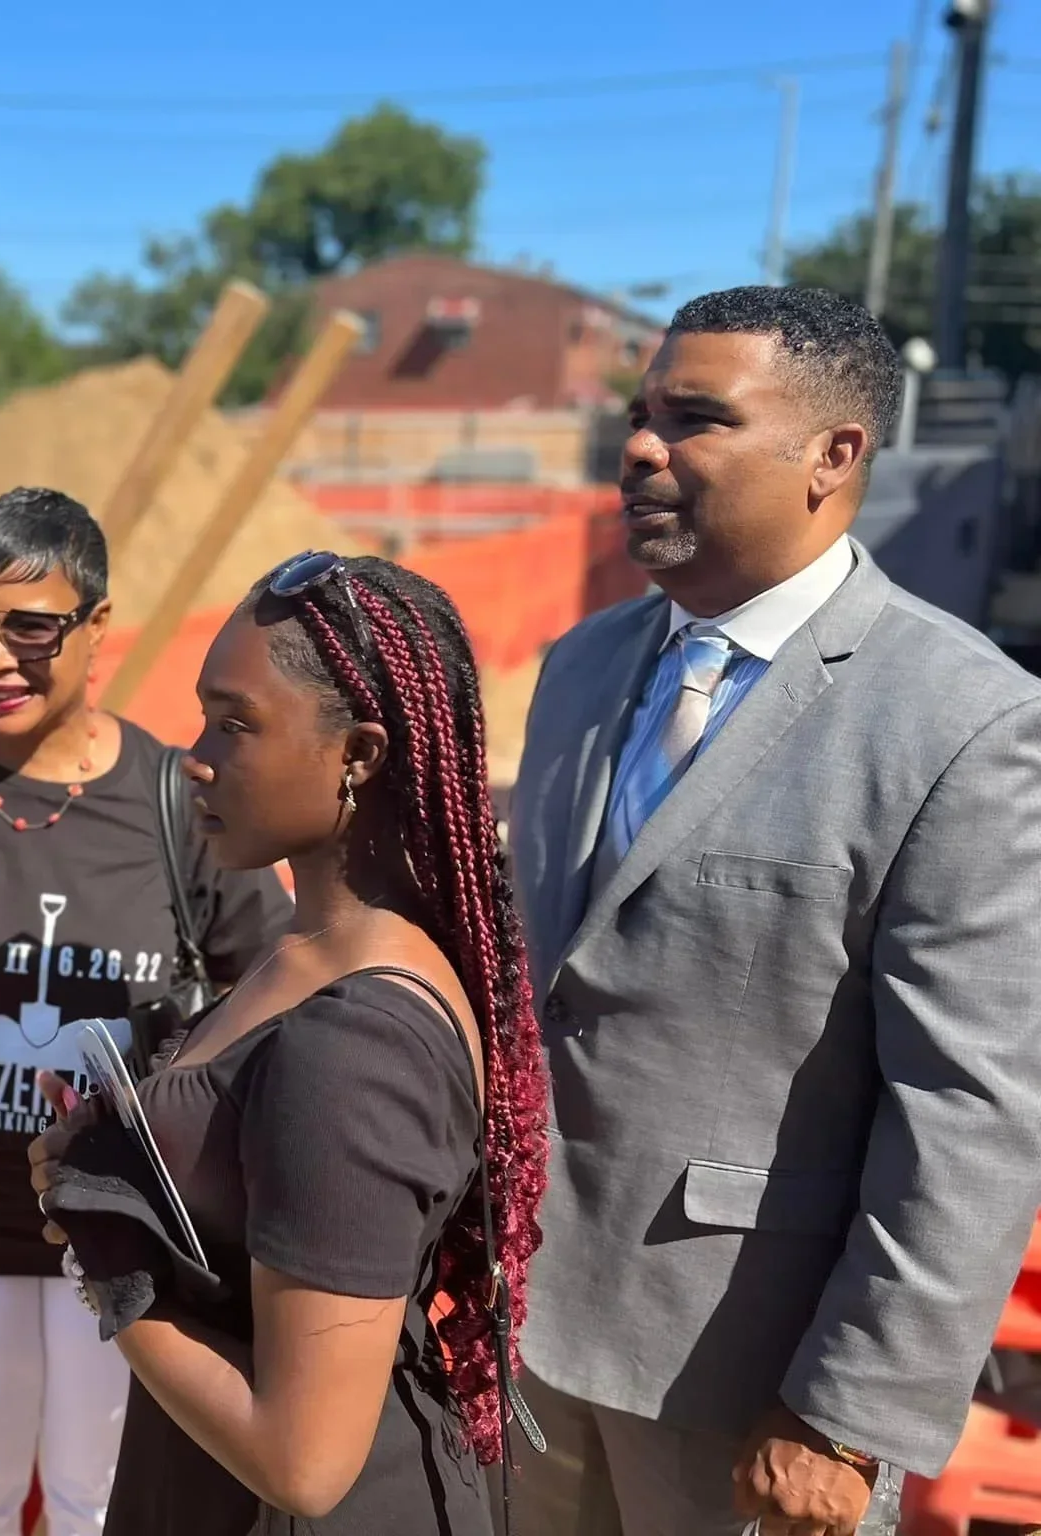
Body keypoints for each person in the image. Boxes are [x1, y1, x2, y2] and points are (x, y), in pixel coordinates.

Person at [507, 284, 1041, 1535]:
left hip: (752, 1389)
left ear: (832, 454)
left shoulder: (959, 722)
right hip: (526, 1341)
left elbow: (968, 1111)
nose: (640, 447)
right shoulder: (580, 671)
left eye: (693, 419)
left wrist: (847, 1411)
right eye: (640, 414)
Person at [29, 551, 551, 1535]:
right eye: (201, 716)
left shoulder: (359, 1039)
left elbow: (302, 1463)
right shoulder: (298, 951)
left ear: (357, 755)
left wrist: (103, 1251)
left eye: (235, 725)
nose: (195, 756)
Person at [0, 486, 294, 1536]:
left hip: (119, 1238)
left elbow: (276, 1008)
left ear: (96, 627)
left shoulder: (184, 805)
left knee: (99, 1507)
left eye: (30, 626)